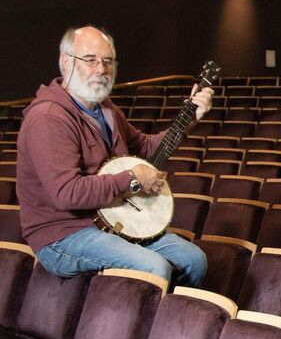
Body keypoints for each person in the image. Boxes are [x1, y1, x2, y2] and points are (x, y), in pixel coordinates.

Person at [16, 26, 212, 286]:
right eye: (90, 60)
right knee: (153, 268)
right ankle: (143, 326)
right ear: (66, 61)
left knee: (193, 259)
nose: (101, 69)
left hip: (111, 220)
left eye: (108, 61)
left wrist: (190, 118)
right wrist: (131, 178)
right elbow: (66, 193)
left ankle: (173, 325)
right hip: (62, 234)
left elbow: (144, 148)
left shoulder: (106, 109)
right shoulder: (49, 118)